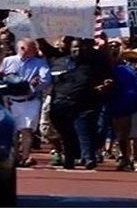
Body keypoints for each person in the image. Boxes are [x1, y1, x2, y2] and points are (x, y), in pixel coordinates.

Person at [48, 38, 114, 170]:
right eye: (74, 47)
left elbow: (107, 76)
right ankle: (70, 159)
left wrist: (103, 85)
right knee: (67, 134)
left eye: (80, 47)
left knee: (83, 129)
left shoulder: (93, 64)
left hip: (84, 104)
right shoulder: (59, 62)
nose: (77, 50)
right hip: (61, 104)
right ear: (69, 48)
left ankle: (88, 157)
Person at [0, 38, 51, 167]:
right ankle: (15, 157)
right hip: (11, 101)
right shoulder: (8, 61)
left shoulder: (39, 63)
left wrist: (31, 88)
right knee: (13, 131)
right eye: (32, 48)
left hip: (29, 101)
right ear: (22, 49)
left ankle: (25, 156)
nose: (35, 50)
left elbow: (46, 79)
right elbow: (0, 77)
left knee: (26, 130)